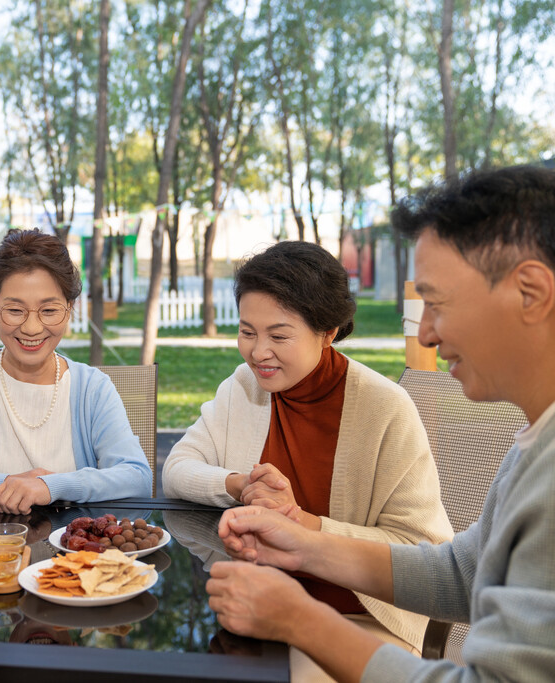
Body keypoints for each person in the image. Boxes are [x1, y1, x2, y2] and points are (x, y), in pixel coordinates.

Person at [206, 165, 555, 682]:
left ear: (530, 292)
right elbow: (462, 571)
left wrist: (302, 620)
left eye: (435, 303)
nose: (429, 334)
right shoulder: (536, 445)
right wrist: (304, 542)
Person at [162, 240, 452, 678]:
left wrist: (299, 522)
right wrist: (242, 485)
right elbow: (178, 468)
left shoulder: (384, 408)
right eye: (247, 332)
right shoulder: (245, 386)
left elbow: (423, 551)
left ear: (328, 331)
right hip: (256, 604)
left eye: (279, 336)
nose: (259, 352)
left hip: (357, 621)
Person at [0, 228, 152, 514]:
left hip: (73, 555)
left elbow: (137, 477)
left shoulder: (93, 387)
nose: (32, 328)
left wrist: (50, 486)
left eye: (49, 311)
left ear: (70, 308)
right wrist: (12, 483)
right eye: (15, 311)